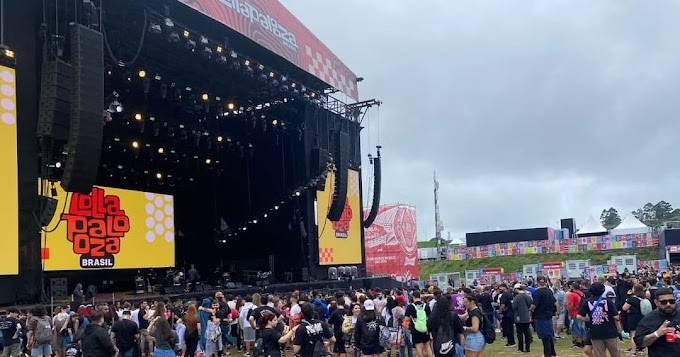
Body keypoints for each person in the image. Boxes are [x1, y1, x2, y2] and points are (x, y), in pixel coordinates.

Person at [577, 282, 621, 357]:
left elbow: (579, 316)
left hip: (595, 332)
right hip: (610, 331)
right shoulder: (608, 301)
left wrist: (588, 319)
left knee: (599, 354)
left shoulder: (586, 302)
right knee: (615, 353)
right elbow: (616, 317)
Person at [633, 288, 680, 356]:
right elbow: (639, 343)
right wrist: (657, 334)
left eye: (671, 301)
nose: (668, 304)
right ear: (656, 302)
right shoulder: (649, 319)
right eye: (664, 302)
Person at [530, 276, 558, 357]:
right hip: (549, 315)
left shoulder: (537, 292)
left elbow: (534, 305)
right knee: (549, 335)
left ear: (537, 282)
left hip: (540, 316)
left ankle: (547, 354)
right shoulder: (549, 291)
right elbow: (556, 303)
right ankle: (553, 353)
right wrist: (557, 313)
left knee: (544, 336)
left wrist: (530, 309)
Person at [405, 291, 432, 357]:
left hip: (415, 329)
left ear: (413, 297)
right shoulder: (426, 306)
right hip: (425, 328)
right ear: (420, 296)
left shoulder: (410, 306)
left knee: (418, 347)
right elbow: (430, 317)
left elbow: (406, 319)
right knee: (428, 346)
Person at [621, 284, 645, 354]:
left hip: (634, 318)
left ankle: (633, 351)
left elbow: (624, 308)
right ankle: (643, 349)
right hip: (642, 317)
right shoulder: (644, 298)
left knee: (633, 335)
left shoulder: (632, 299)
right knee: (642, 335)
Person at [512, 284, 533, 354]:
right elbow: (530, 304)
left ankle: (520, 348)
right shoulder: (527, 297)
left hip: (519, 317)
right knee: (527, 332)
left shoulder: (517, 297)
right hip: (526, 317)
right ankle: (528, 348)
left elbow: (513, 307)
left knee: (520, 333)